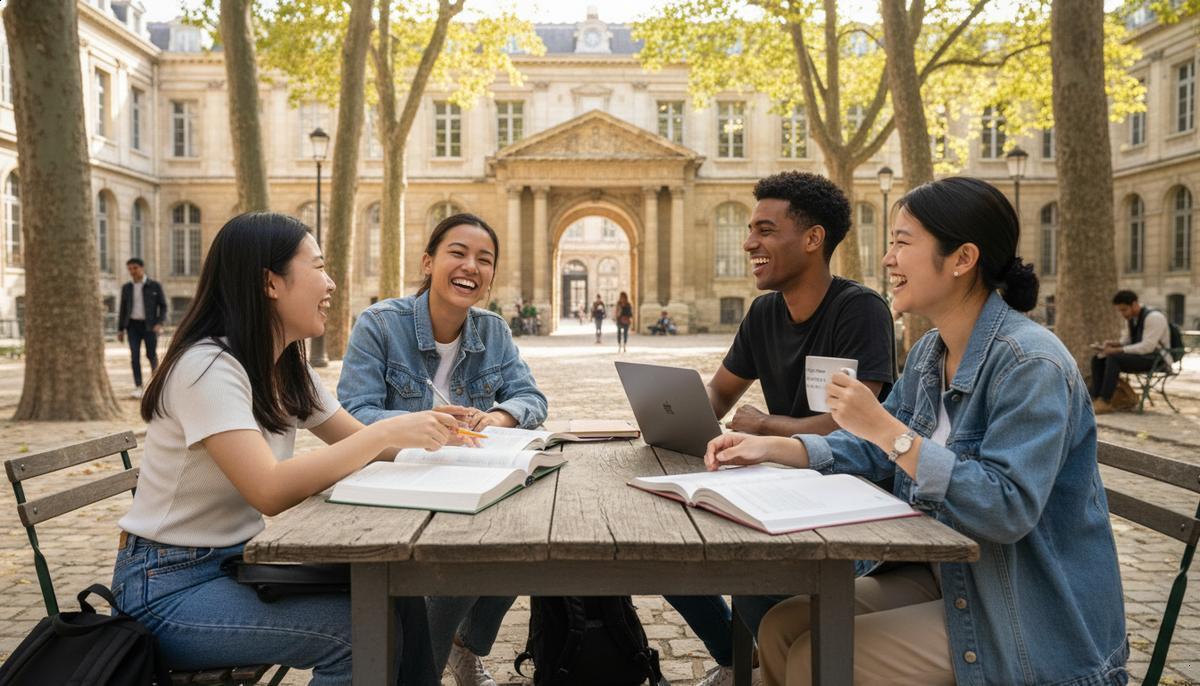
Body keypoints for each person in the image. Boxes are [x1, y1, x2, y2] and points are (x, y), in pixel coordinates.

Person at [705, 177, 1127, 686]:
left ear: (962, 258)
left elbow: (1006, 507)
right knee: (780, 626)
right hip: (947, 577)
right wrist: (773, 446)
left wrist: (890, 432)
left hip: (1023, 613)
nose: (888, 259)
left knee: (816, 656)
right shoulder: (931, 352)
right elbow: (868, 449)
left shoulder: (1030, 363)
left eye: (902, 243)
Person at [112, 212, 459, 685]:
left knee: (396, 592)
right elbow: (269, 490)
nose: (331, 283)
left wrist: (448, 443)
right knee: (357, 634)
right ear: (270, 283)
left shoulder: (286, 367)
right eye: (318, 267)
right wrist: (384, 434)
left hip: (237, 564)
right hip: (166, 587)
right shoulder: (207, 368)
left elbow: (358, 443)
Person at [666, 171, 896, 686]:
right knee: (666, 547)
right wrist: (671, 411)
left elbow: (855, 427)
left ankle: (758, 662)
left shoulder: (860, 310)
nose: (749, 243)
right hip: (778, 484)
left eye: (765, 230)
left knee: (747, 571)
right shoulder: (764, 312)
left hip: (849, 504)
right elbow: (720, 394)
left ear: (813, 239)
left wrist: (766, 426)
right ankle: (741, 661)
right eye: (750, 230)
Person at [339, 212, 548, 686]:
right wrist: (422, 426)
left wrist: (498, 417)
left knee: (525, 538)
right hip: (395, 485)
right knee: (473, 555)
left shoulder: (493, 331)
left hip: (464, 479)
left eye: (484, 259)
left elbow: (532, 398)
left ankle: (463, 646)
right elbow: (353, 415)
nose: (471, 266)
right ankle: (424, 673)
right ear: (428, 262)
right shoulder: (379, 325)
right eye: (458, 253)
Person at [1090, 289, 1172, 415]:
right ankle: (1094, 398)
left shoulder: (1154, 317)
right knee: (1098, 358)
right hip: (1141, 356)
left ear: (1134, 304)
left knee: (1114, 358)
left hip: (1157, 359)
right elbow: (1127, 341)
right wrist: (1112, 344)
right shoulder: (1132, 319)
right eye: (1120, 310)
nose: (1122, 314)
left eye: (1124, 310)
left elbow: (1147, 347)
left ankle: (1105, 401)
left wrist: (1117, 350)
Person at [117, 257, 168, 399]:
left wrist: (159, 323)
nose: (132, 271)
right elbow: (123, 309)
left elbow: (163, 306)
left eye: (135, 268)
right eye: (130, 269)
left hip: (150, 326)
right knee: (134, 356)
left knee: (151, 355)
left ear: (142, 268)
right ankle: (138, 386)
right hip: (132, 326)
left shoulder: (154, 286)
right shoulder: (127, 288)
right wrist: (120, 329)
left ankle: (156, 386)